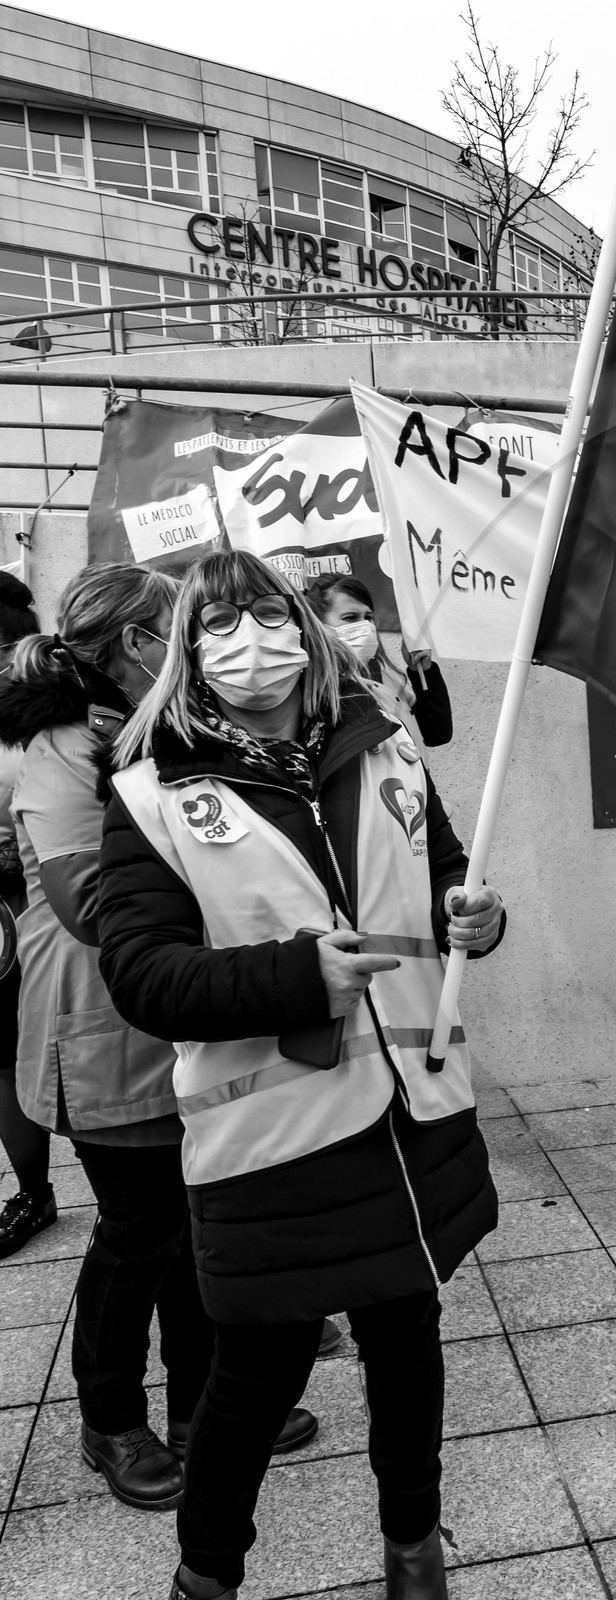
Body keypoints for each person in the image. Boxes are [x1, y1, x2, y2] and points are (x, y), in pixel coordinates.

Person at [98, 551, 502, 1600]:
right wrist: (293, 975)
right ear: (186, 651)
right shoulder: (151, 791)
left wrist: (476, 912)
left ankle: (413, 1549)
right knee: (254, 1377)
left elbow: (444, 866)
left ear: (302, 624)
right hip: (277, 1140)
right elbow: (141, 973)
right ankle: (207, 1576)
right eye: (217, 625)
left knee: (408, 1342)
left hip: (414, 1111)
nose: (249, 641)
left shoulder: (386, 746)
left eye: (266, 614)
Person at [0, 563, 318, 1513]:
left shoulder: (153, 730)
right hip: (98, 1015)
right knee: (137, 1233)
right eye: (189, 630)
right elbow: (87, 902)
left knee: (191, 1218)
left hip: (172, 1012)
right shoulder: (59, 741)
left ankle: (196, 1405)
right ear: (144, 644)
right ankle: (110, 1421)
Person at [0, 569, 54, 1259]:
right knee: (4, 1058)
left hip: (47, 910)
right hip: (5, 923)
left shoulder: (50, 710)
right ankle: (34, 1191)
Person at [306, 574, 452, 748]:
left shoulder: (386, 675)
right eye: (350, 618)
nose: (365, 626)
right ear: (318, 625)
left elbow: (437, 734)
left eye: (368, 617)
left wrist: (423, 671)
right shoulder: (310, 690)